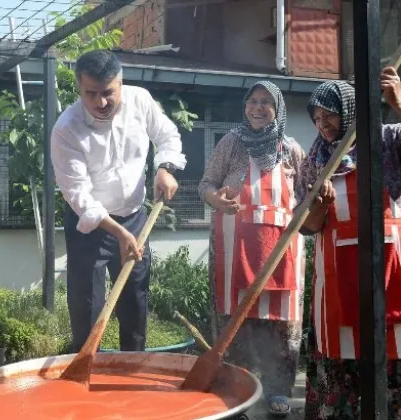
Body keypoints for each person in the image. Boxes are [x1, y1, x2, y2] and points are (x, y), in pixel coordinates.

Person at [300, 71, 401, 420]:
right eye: (317, 118)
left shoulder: (388, 139)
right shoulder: (315, 161)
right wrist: (319, 205)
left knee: (394, 348)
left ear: (350, 109)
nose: (323, 124)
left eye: (330, 114)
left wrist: (399, 103)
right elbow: (307, 226)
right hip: (337, 272)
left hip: (391, 266)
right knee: (340, 354)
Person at [51, 49, 186, 352]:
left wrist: (164, 168)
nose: (100, 103)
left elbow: (167, 136)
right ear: (79, 89)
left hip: (136, 218)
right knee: (87, 306)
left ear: (121, 83)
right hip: (90, 227)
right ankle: (84, 372)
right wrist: (119, 232)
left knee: (135, 301)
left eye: (108, 93)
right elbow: (80, 197)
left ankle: (132, 372)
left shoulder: (140, 101)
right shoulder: (66, 129)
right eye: (91, 94)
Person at [197, 81, 306, 417]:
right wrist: (215, 198)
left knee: (280, 323)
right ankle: (236, 390)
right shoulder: (231, 142)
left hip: (282, 248)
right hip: (235, 246)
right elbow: (206, 183)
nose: (257, 108)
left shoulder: (291, 150)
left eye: (266, 103)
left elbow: (306, 196)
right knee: (236, 320)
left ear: (278, 109)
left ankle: (278, 389)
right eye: (252, 102)